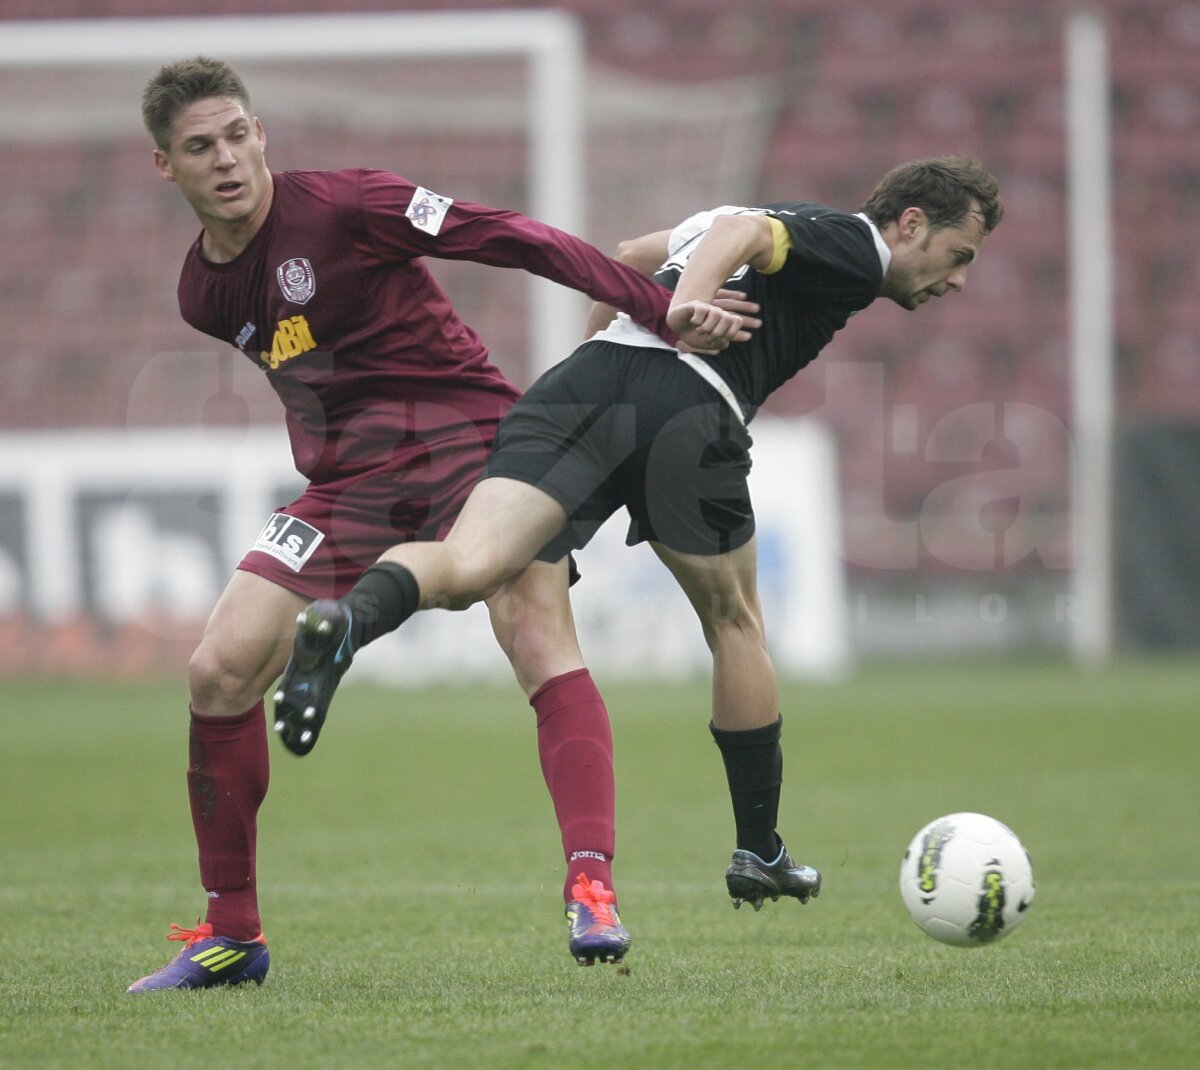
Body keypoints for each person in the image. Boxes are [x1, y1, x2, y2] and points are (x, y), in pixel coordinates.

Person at [127, 56, 750, 992]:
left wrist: (658, 307)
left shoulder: (347, 205)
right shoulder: (202, 293)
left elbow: (512, 238)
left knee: (533, 628)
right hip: (346, 485)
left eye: (236, 136)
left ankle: (592, 889)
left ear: (262, 136)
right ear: (165, 167)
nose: (226, 160)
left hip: (479, 444)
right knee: (216, 670)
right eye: (199, 147)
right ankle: (232, 932)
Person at [272, 155, 1003, 942]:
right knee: (735, 623)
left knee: (468, 564)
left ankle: (347, 622)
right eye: (959, 256)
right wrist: (683, 311)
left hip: (580, 387)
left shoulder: (755, 215)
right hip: (688, 405)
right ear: (912, 224)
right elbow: (742, 233)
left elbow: (626, 257)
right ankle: (759, 849)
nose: (956, 281)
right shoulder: (857, 244)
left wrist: (618, 341)